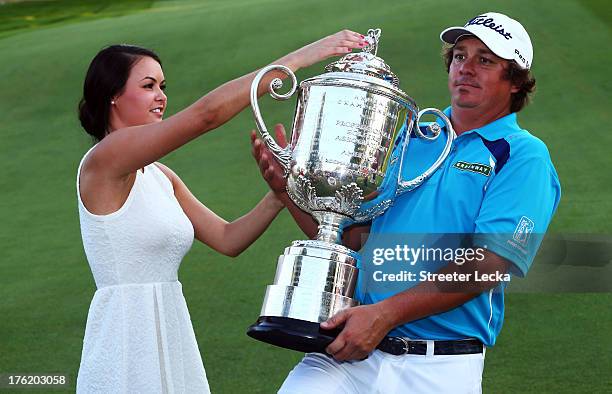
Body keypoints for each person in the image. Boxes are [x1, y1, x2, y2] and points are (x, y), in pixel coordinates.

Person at [251, 12, 561, 393]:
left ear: (515, 81)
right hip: (347, 351)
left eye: (486, 60)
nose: (466, 68)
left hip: (440, 365)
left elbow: (489, 263)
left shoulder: (523, 155)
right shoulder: (415, 136)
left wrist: (384, 315)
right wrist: (288, 192)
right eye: (460, 56)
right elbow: (356, 239)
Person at [75, 31, 368, 393]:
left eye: (162, 85)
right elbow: (206, 116)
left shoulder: (160, 175)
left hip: (168, 324)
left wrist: (279, 192)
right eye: (149, 85)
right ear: (113, 97)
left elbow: (228, 239)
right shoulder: (106, 158)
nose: (161, 96)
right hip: (125, 333)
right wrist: (294, 61)